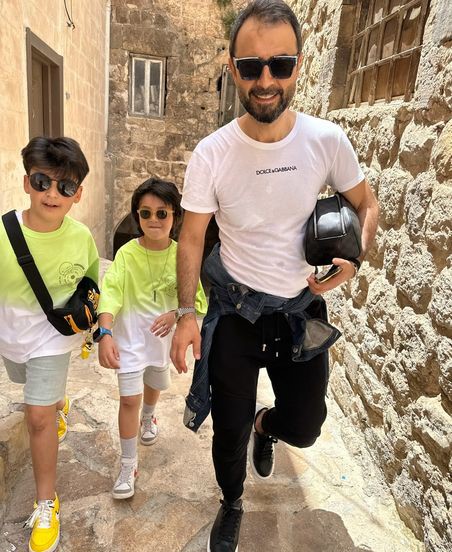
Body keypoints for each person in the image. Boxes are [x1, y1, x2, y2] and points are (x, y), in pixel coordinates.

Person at [170, 1, 379, 550]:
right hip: (235, 310)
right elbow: (191, 236)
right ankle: (231, 501)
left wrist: (355, 258)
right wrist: (187, 313)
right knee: (227, 427)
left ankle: (268, 427)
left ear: (298, 65)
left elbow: (366, 204)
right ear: (233, 68)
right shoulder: (212, 153)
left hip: (298, 311)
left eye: (280, 64)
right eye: (251, 66)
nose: (266, 81)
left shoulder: (326, 140)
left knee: (305, 426)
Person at [0, 136, 99, 552]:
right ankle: (59, 399)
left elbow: (91, 284)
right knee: (32, 389)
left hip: (53, 341)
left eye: (66, 186)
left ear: (78, 194)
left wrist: (97, 326)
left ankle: (46, 503)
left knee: (38, 417)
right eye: (42, 181)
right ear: (27, 182)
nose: (52, 193)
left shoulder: (81, 237)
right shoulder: (4, 233)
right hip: (11, 337)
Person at [96, 178, 207, 500]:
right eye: (145, 213)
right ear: (137, 216)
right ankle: (128, 464)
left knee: (154, 384)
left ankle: (149, 416)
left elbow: (198, 302)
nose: (154, 220)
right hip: (129, 341)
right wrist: (105, 332)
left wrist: (175, 314)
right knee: (128, 400)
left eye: (162, 213)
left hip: (160, 344)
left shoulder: (182, 256)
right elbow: (111, 293)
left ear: (175, 217)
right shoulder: (127, 255)